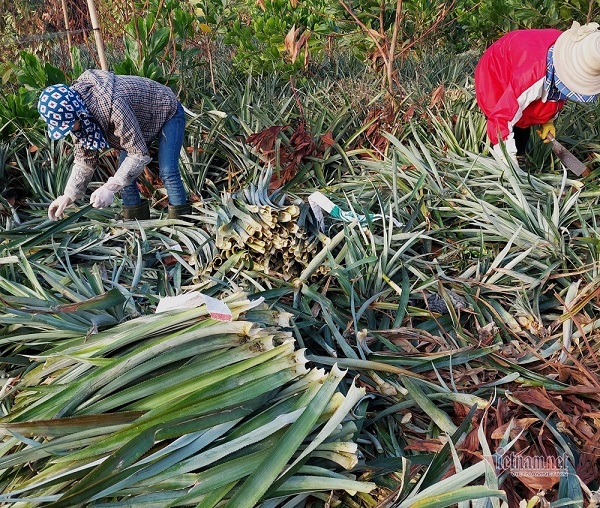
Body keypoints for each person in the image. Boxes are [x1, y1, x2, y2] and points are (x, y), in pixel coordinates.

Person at [37, 70, 192, 220]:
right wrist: (68, 195)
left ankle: (182, 224)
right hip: (139, 121)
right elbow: (85, 161)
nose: (69, 130)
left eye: (68, 125)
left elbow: (138, 154)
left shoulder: (114, 106)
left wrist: (109, 188)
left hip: (165, 109)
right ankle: (135, 224)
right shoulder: (78, 114)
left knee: (168, 170)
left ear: (78, 113)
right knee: (124, 173)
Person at [475, 21, 600, 166]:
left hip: (526, 65)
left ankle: (519, 154)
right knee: (508, 119)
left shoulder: (573, 52)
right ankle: (497, 157)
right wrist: (508, 163)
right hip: (496, 72)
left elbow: (559, 91)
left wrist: (548, 120)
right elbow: (501, 118)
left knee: (525, 112)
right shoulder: (529, 77)